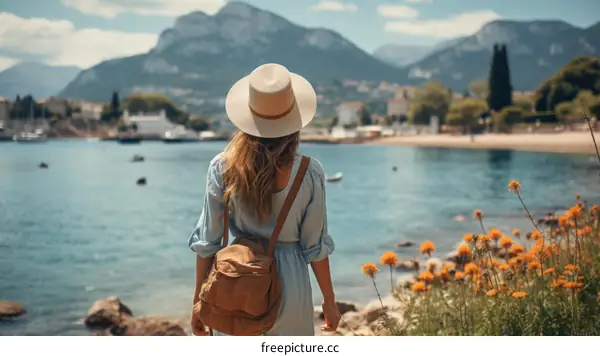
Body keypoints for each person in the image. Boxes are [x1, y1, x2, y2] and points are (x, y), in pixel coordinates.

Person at [187, 63, 340, 336]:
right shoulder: (309, 172)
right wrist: (329, 300)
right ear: (294, 120)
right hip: (290, 288)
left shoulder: (222, 168)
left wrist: (199, 300)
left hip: (236, 280)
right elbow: (314, 246)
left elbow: (208, 243)